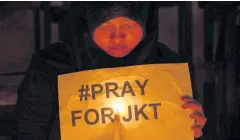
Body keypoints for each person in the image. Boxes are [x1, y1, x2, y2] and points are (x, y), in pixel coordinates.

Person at [12, 2, 207, 140]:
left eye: (128, 24)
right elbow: (28, 132)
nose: (117, 37)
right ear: (87, 24)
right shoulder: (50, 68)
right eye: (106, 25)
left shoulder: (169, 68)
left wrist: (190, 128)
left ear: (146, 22)